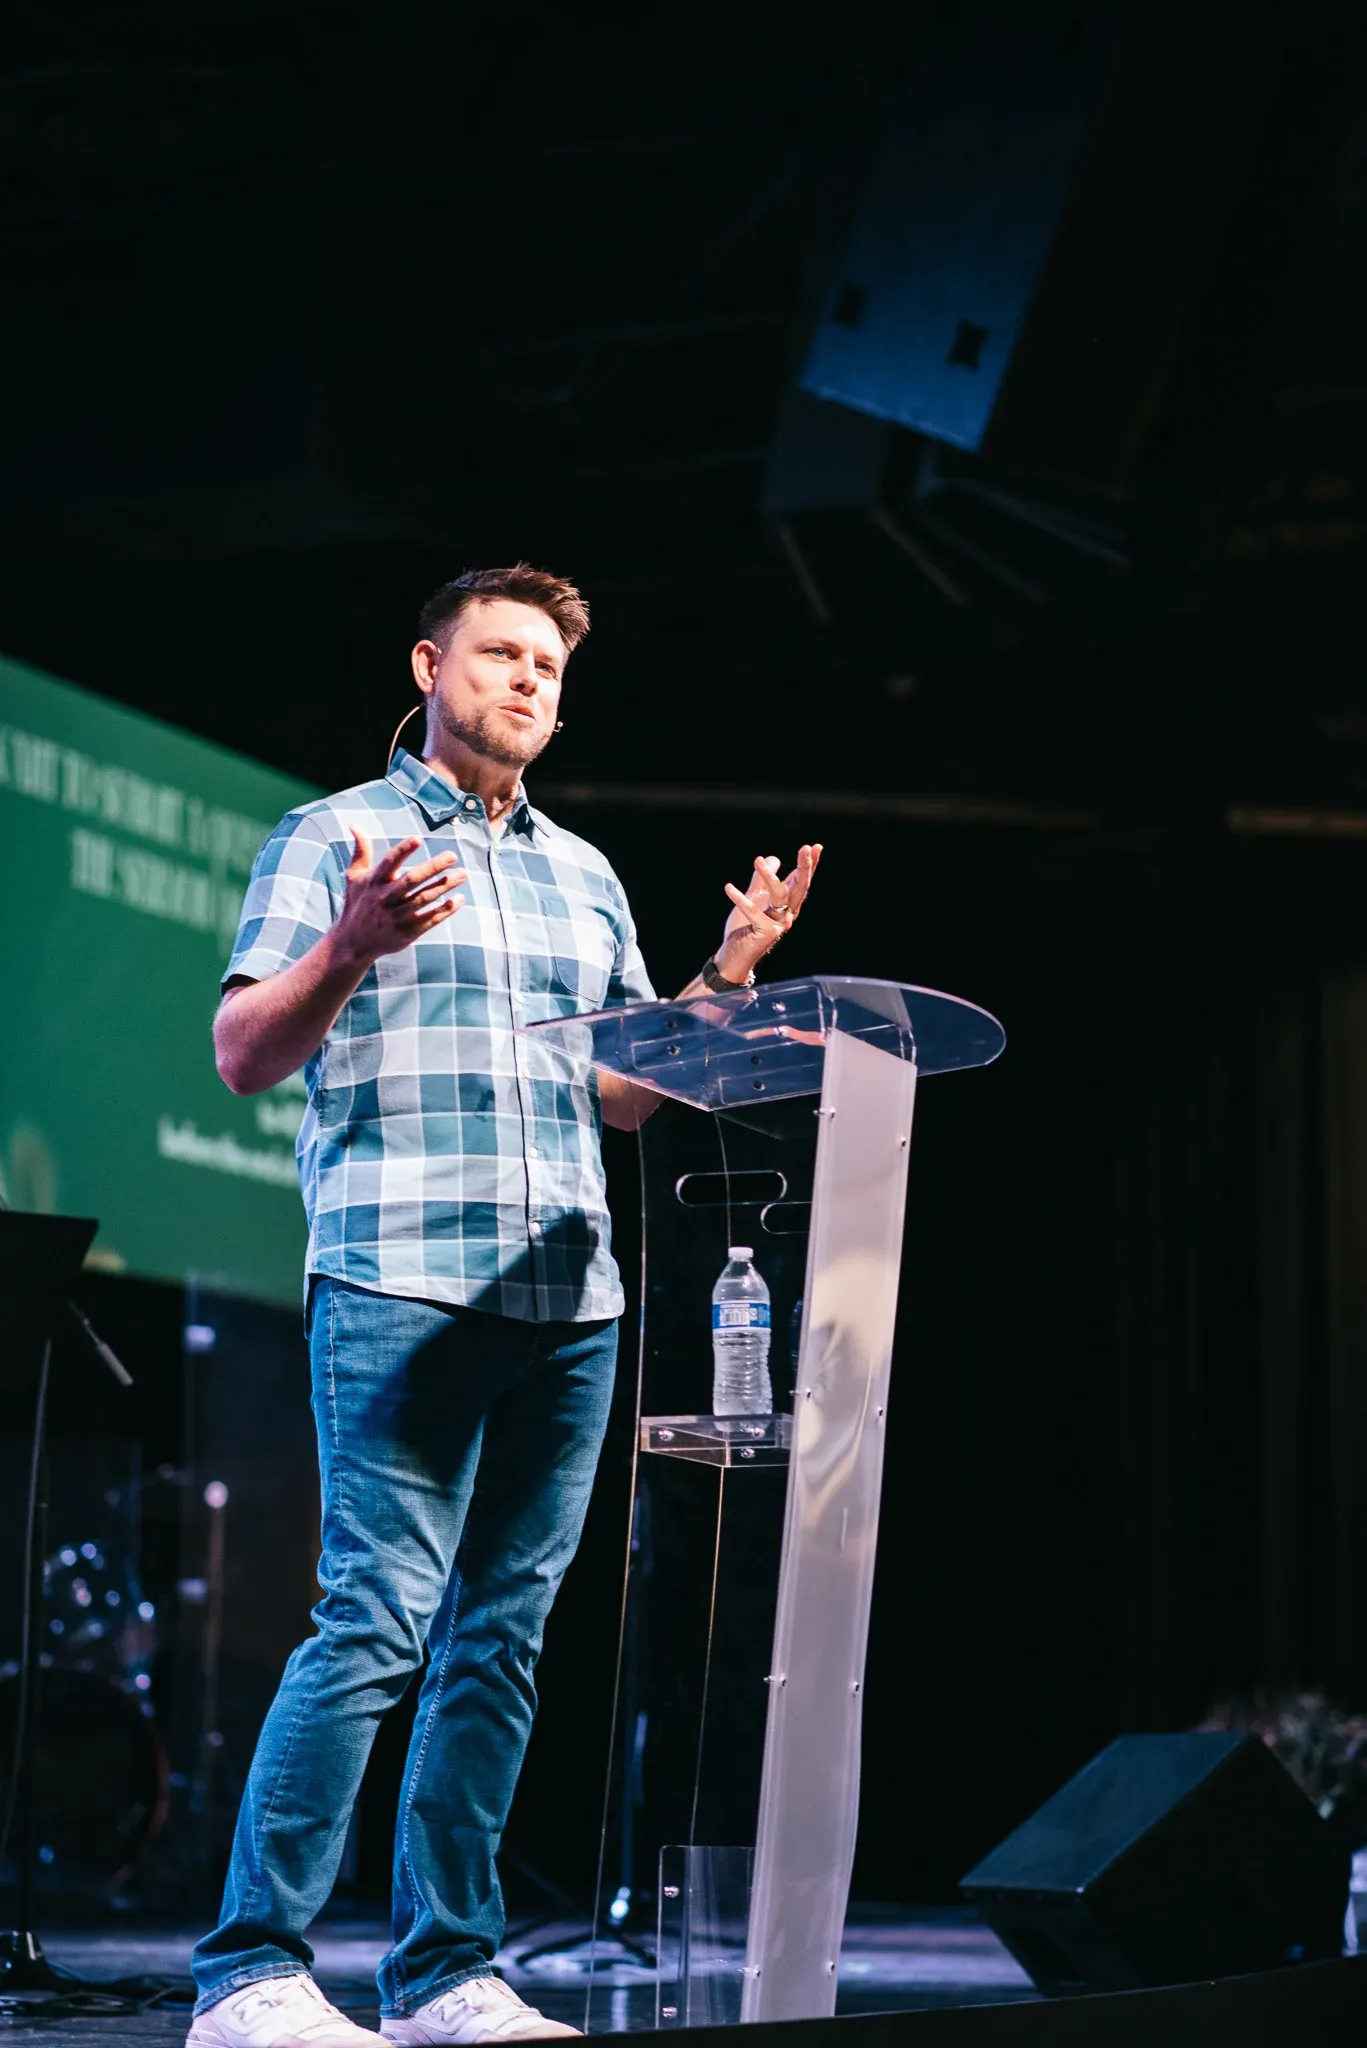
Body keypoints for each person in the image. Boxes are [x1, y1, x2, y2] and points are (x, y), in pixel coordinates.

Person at [188, 565, 821, 2047]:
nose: (529, 679)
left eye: (549, 663)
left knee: (501, 1639)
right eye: (500, 652)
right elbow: (237, 1055)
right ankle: (250, 1973)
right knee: (375, 1622)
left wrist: (722, 976)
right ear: (428, 664)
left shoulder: (584, 874)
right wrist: (347, 948)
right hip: (398, 1279)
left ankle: (444, 1975)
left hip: (567, 1297)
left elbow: (613, 1095)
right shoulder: (335, 835)